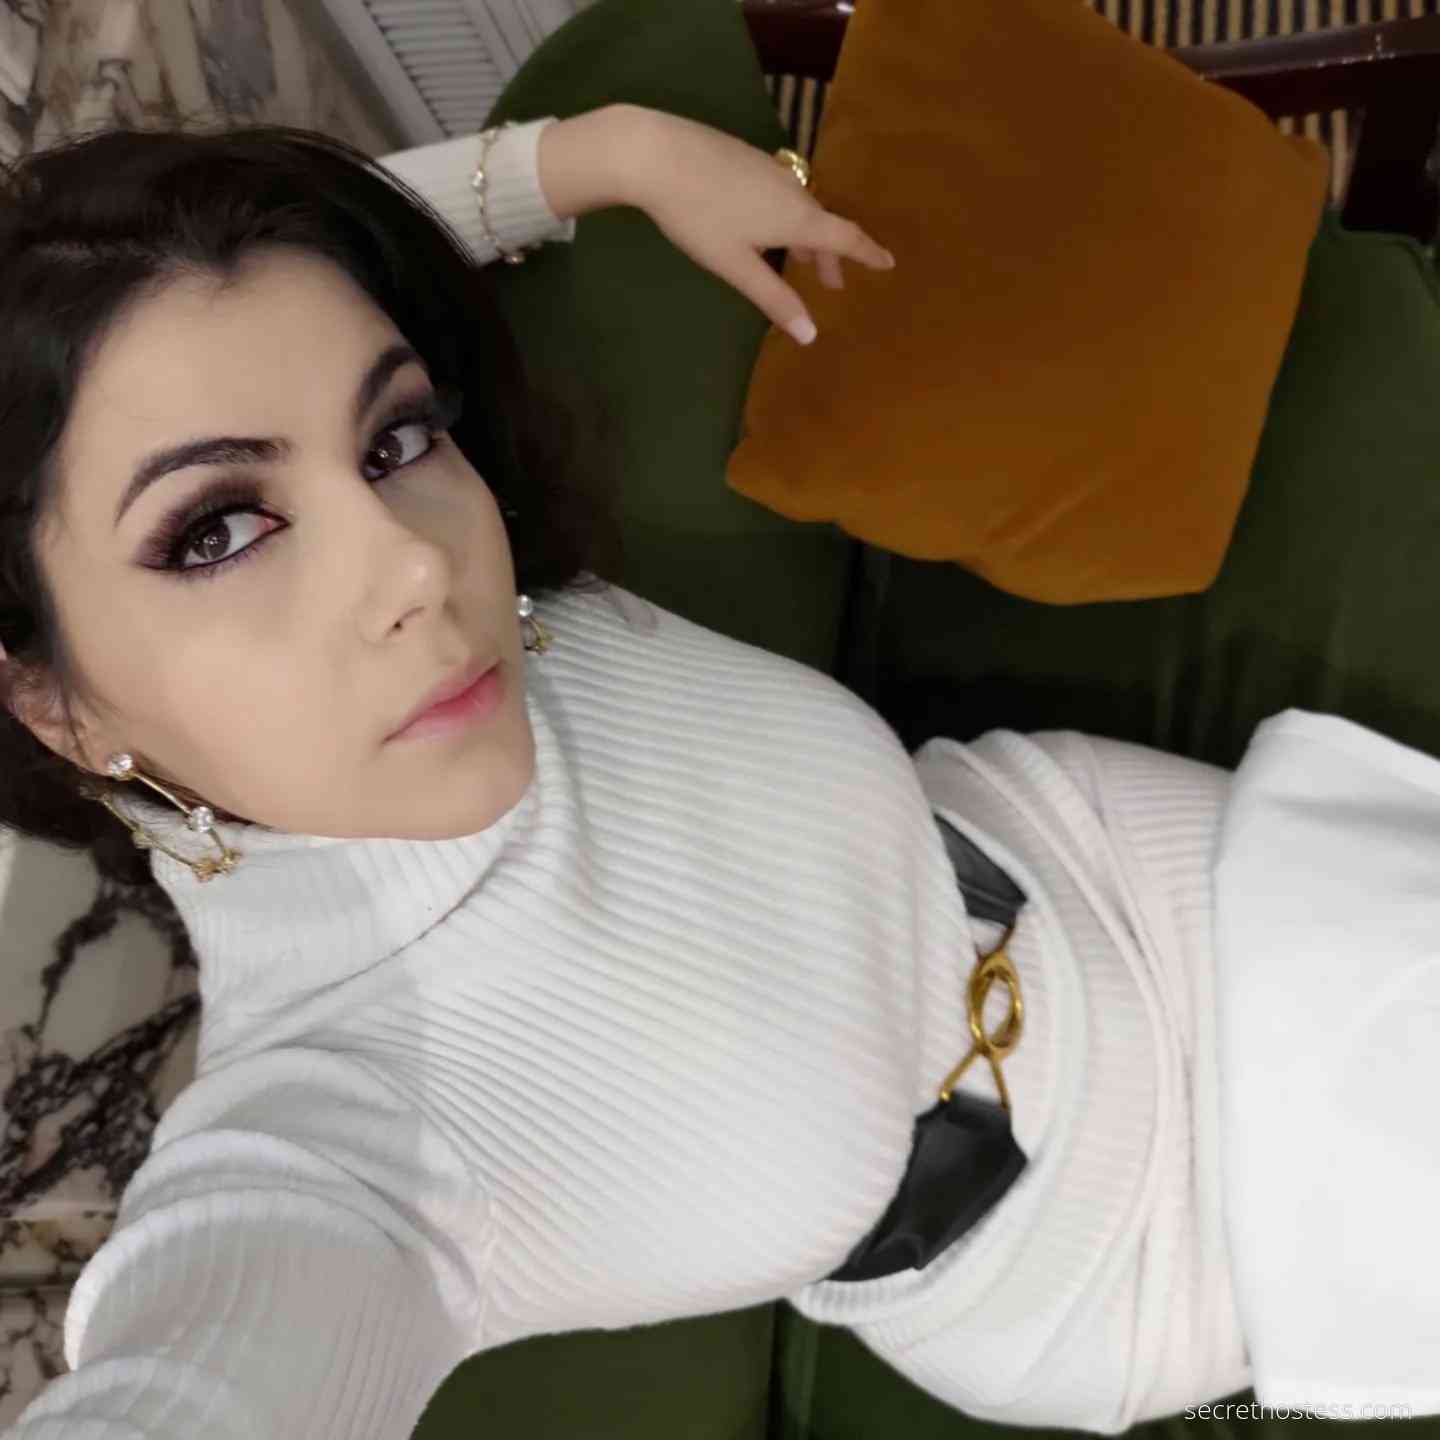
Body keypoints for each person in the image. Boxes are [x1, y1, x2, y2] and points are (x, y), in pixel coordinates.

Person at [0, 105, 1249, 1437]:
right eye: (217, 531)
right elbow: (208, 1370)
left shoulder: (478, 619)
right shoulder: (337, 1124)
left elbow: (291, 293)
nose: (416, 564)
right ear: (54, 705)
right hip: (1142, 1248)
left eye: (397, 436)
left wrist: (611, 154)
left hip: (1101, 842)